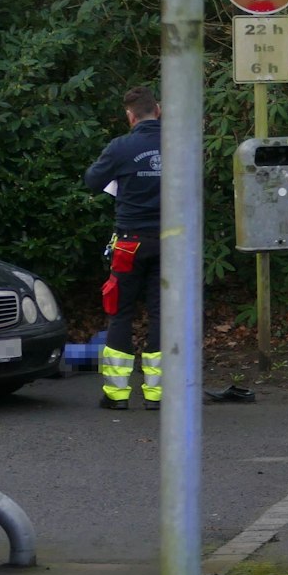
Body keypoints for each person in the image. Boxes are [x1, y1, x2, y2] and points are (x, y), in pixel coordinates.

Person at [82, 86, 163, 410]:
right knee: (164, 316)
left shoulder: (121, 148)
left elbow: (92, 180)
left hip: (129, 243)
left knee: (120, 313)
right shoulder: (181, 145)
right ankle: (158, 395)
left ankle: (117, 396)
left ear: (130, 116)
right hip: (170, 243)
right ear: (157, 110)